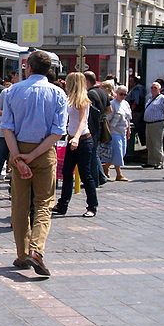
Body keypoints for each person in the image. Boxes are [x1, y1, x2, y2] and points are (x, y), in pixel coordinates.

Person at [1, 51, 67, 277]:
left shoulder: (12, 91)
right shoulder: (58, 93)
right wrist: (35, 154)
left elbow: (7, 128)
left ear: (27, 67)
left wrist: (19, 157)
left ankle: (22, 254)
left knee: (20, 204)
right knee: (44, 203)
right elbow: (58, 132)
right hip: (44, 150)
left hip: (18, 147)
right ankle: (37, 250)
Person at [52, 73, 99, 218]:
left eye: (68, 81)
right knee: (66, 173)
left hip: (83, 140)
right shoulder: (69, 99)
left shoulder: (83, 100)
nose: (65, 83)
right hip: (71, 139)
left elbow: (82, 122)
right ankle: (62, 204)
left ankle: (92, 206)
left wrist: (76, 138)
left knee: (86, 175)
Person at [85, 71, 110, 186]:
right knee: (94, 152)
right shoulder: (103, 92)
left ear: (87, 81)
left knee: (91, 153)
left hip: (92, 126)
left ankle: (95, 180)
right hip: (101, 125)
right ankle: (101, 176)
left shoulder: (90, 94)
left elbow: (89, 113)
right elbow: (110, 110)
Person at [142, 82, 164, 170]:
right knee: (149, 143)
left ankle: (159, 162)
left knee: (157, 144)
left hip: (157, 123)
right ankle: (151, 161)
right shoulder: (150, 98)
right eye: (152, 87)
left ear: (160, 89)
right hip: (149, 123)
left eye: (155, 88)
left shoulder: (162, 98)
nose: (153, 89)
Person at [107, 85, 132, 181]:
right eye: (121, 94)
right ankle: (118, 173)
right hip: (114, 131)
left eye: (125, 94)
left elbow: (128, 118)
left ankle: (105, 167)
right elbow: (108, 119)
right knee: (118, 152)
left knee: (123, 151)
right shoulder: (112, 104)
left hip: (123, 131)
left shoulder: (126, 104)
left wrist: (129, 130)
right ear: (116, 93)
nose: (123, 96)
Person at [126, 75, 146, 145]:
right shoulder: (139, 88)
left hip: (136, 111)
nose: (129, 83)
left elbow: (136, 101)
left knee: (135, 127)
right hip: (138, 111)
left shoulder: (137, 89)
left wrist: (131, 110)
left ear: (135, 82)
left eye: (131, 81)